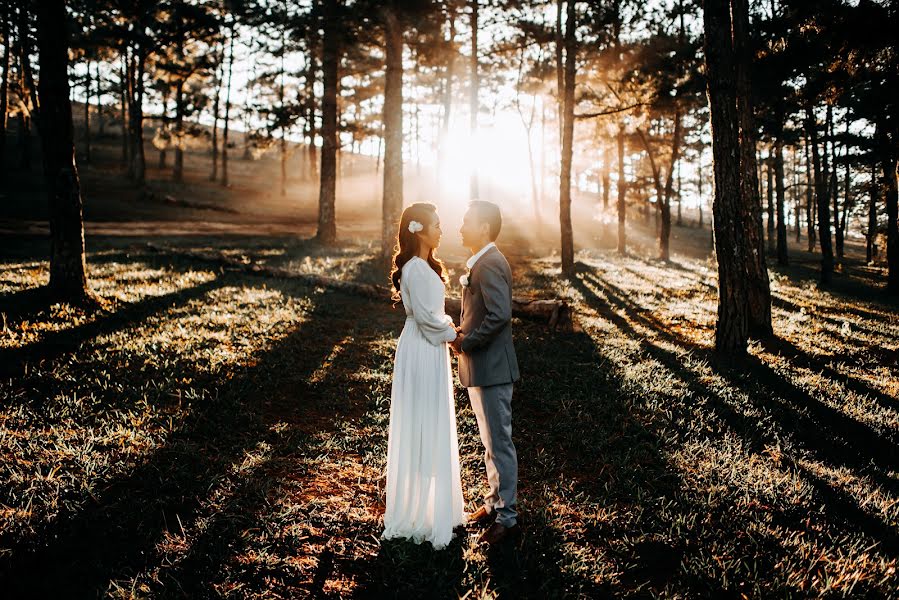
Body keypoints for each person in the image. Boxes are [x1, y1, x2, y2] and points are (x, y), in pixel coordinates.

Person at [381, 202, 467, 550]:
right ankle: (415, 510)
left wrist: (448, 329)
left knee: (429, 423)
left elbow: (436, 315)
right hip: (420, 348)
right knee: (420, 422)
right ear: (418, 230)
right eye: (436, 224)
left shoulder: (426, 267)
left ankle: (432, 506)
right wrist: (454, 338)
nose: (441, 229)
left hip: (429, 348)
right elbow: (427, 319)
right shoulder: (414, 269)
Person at [451, 200, 521, 545]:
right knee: (489, 442)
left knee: (500, 443)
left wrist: (467, 342)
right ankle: (494, 503)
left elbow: (499, 316)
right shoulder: (482, 261)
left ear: (483, 228)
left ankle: (507, 518)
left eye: (466, 221)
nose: (461, 226)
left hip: (492, 367)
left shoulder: (490, 263)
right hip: (482, 367)